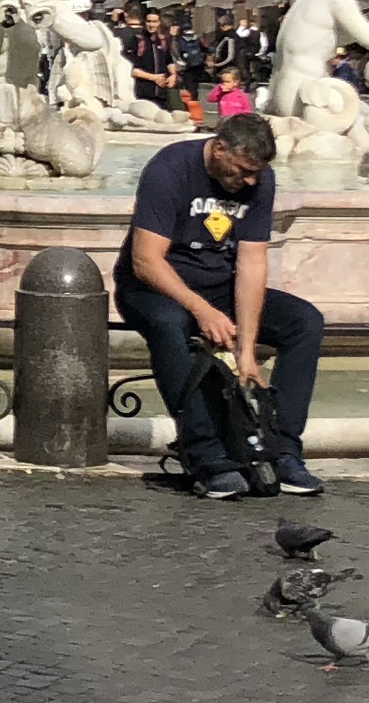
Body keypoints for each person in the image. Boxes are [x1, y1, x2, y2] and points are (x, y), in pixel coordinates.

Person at [115, 112, 324, 499]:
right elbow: (146, 261)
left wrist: (247, 352)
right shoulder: (170, 169)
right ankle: (205, 454)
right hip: (152, 287)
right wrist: (203, 310)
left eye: (256, 174)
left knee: (305, 322)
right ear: (220, 147)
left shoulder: (259, 180)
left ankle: (283, 450)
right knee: (169, 323)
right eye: (243, 171)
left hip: (218, 288)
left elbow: (251, 263)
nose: (249, 182)